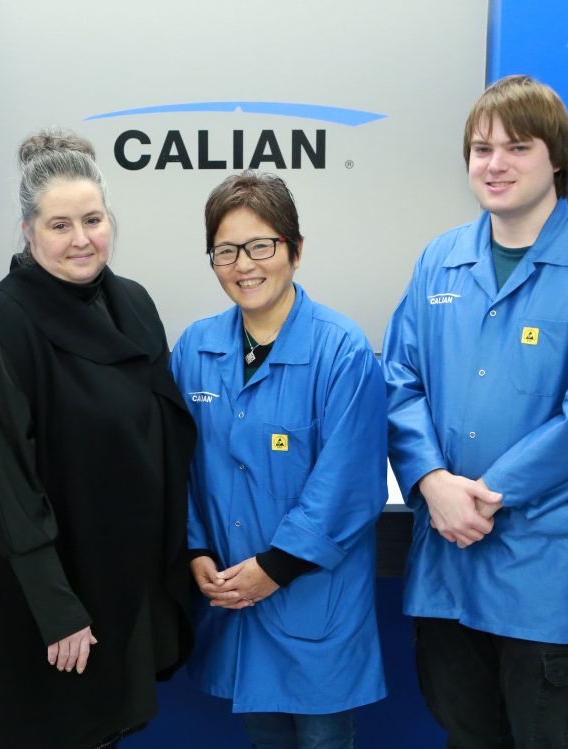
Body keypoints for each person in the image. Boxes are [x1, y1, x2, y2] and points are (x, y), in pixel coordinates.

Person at [383, 75, 568, 748]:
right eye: (481, 149)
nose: (494, 165)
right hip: (448, 568)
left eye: (517, 147)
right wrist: (432, 482)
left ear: (555, 157)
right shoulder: (440, 260)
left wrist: (484, 495)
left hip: (548, 576)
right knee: (466, 737)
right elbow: (399, 382)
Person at [0, 129, 195, 749]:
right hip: (39, 607)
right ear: (27, 231)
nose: (82, 239)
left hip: (118, 582)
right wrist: (58, 613)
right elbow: (8, 494)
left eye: (93, 220)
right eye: (60, 225)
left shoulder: (134, 305)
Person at [170, 171, 389, 749]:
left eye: (261, 246)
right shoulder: (194, 350)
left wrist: (276, 567)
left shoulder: (341, 351)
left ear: (295, 250)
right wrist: (194, 549)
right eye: (226, 251)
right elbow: (176, 467)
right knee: (264, 738)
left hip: (314, 597)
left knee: (322, 739)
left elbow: (349, 484)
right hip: (232, 596)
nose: (244, 265)